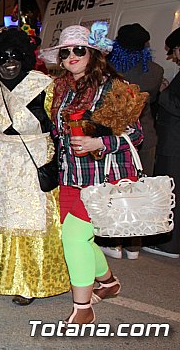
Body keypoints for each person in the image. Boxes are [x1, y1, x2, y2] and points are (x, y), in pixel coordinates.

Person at [40, 24, 145, 324]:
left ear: (93, 53)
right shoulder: (61, 88)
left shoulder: (114, 86)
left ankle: (83, 309)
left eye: (79, 50)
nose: (72, 56)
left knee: (74, 238)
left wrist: (98, 141)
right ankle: (109, 283)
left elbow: (135, 135)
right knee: (78, 239)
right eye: (66, 52)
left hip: (103, 177)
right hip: (71, 176)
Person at [0, 28, 70, 306]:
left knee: (34, 222)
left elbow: (60, 126)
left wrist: (56, 159)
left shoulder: (44, 84)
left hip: (35, 157)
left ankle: (32, 281)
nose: (8, 62)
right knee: (5, 219)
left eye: (14, 55)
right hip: (5, 158)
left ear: (25, 57)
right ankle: (7, 276)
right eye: (2, 57)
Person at [102, 23, 164, 260]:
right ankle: (134, 246)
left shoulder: (109, 71)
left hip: (116, 138)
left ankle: (115, 243)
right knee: (140, 190)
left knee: (115, 190)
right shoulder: (156, 71)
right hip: (145, 138)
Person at [143, 27, 180, 259]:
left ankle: (171, 245)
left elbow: (177, 105)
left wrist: (163, 92)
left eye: (175, 50)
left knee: (174, 193)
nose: (173, 56)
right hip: (172, 141)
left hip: (174, 144)